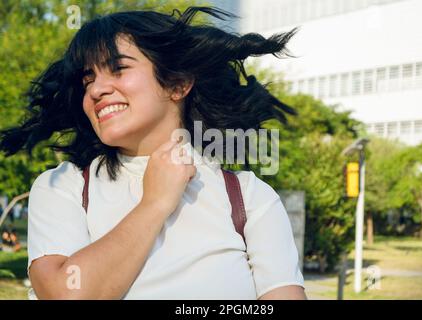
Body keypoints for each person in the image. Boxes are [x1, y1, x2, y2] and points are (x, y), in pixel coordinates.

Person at [0, 7, 306, 300]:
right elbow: (65, 294)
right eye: (88, 79)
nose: (95, 90)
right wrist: (155, 203)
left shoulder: (249, 198)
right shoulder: (63, 187)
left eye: (118, 69)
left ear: (178, 83)